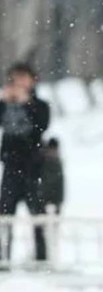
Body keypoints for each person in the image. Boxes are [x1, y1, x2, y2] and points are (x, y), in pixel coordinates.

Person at [0, 63, 51, 263]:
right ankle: (4, 258)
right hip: (10, 166)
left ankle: (41, 259)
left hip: (33, 168)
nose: (18, 83)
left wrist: (26, 103)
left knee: (38, 216)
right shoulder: (5, 104)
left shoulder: (40, 105)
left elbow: (42, 126)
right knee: (5, 216)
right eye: (15, 78)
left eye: (22, 77)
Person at [40, 138, 64, 215]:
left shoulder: (57, 162)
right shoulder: (44, 162)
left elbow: (60, 183)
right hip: (44, 194)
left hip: (54, 193)